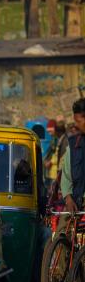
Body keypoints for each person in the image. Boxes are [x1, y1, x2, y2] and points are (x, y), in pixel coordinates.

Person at [59, 99, 85, 232]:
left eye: (78, 121)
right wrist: (68, 198)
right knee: (61, 233)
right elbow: (66, 175)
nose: (75, 125)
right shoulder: (74, 145)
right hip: (76, 204)